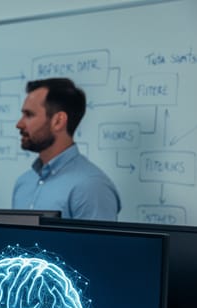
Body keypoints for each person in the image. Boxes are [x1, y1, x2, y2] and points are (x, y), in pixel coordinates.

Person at [13, 78, 120, 220]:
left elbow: (99, 243)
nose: (19, 124)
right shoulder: (24, 183)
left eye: (29, 115)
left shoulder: (91, 187)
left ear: (58, 121)